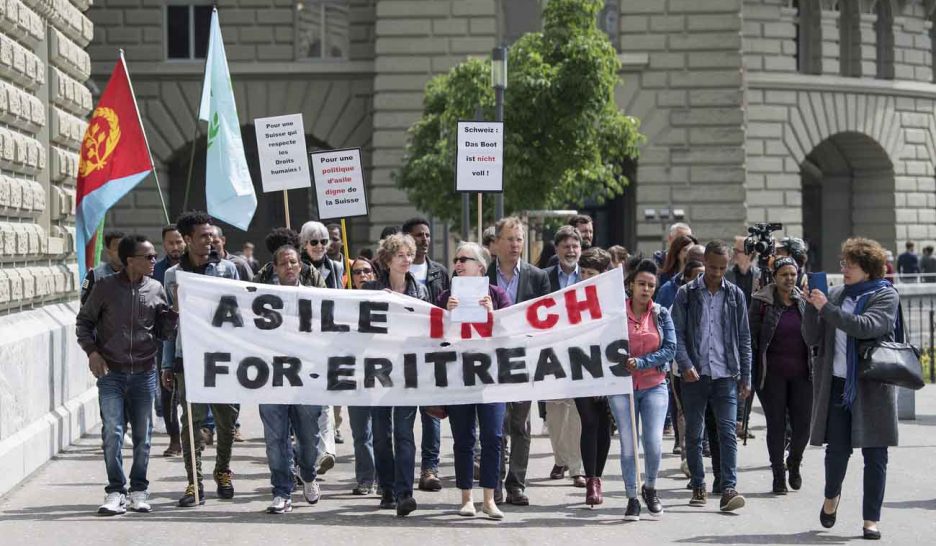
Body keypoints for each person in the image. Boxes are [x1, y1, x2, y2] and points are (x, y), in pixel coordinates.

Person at [802, 237, 899, 541]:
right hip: (838, 385)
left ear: (868, 269)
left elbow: (865, 326)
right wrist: (810, 307)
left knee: (876, 455)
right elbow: (811, 338)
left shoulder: (885, 296)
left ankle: (871, 519)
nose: (844, 269)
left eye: (850, 265)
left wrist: (826, 308)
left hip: (872, 386)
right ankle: (832, 496)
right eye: (843, 263)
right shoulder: (835, 294)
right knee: (838, 450)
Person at [77, 235, 176, 516]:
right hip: (111, 373)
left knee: (143, 436)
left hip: (144, 373)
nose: (154, 261)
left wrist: (173, 314)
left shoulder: (157, 288)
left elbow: (164, 333)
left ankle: (139, 489)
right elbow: (83, 323)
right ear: (130, 260)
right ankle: (115, 491)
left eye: (155, 256)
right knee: (113, 433)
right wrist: (93, 353)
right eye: (148, 257)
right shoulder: (105, 288)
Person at [160, 211, 241, 507]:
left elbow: (239, 314)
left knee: (226, 418)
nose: (210, 241)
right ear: (188, 239)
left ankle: (223, 470)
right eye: (204, 236)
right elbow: (169, 326)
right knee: (191, 422)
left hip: (222, 356)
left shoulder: (227, 270)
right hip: (188, 357)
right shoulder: (173, 275)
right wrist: (167, 363)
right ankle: (194, 482)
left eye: (212, 235)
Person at [672, 240, 752, 513]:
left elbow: (744, 338)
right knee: (694, 433)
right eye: (713, 267)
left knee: (728, 432)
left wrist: (746, 376)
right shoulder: (687, 294)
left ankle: (729, 487)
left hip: (725, 374)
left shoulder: (735, 295)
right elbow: (677, 334)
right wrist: (684, 363)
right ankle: (698, 483)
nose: (717, 272)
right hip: (695, 376)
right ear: (704, 262)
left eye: (722, 268)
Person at [437, 242, 511, 520]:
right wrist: (446, 314)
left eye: (463, 259)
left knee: (493, 437)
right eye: (455, 259)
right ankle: (466, 498)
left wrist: (493, 315)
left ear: (480, 266)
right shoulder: (445, 295)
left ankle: (489, 499)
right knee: (464, 439)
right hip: (459, 377)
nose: (456, 263)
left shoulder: (498, 295)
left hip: (492, 379)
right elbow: (432, 339)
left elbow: (513, 334)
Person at [363, 233, 429, 516]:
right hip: (378, 371)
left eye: (409, 255)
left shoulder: (421, 292)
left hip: (409, 372)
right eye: (400, 255)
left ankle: (405, 493)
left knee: (404, 434)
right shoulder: (372, 291)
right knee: (380, 433)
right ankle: (387, 488)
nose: (406, 260)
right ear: (388, 259)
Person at [486, 216, 551, 506]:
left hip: (525, 360)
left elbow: (548, 320)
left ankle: (516, 484)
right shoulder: (481, 276)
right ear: (496, 244)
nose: (515, 245)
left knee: (521, 425)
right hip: (491, 361)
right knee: (495, 425)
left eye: (519, 239)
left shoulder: (538, 277)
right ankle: (494, 483)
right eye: (510, 239)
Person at [259, 245, 326, 514]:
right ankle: (281, 490)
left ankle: (308, 474)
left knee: (309, 439)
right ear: (275, 268)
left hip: (307, 380)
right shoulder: (260, 299)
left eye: (294, 262)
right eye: (284, 263)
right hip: (271, 379)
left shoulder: (317, 298)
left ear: (301, 266)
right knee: (276, 439)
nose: (289, 267)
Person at [608, 258, 676, 520]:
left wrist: (643, 362)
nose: (646, 289)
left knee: (654, 443)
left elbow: (670, 348)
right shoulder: (615, 313)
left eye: (650, 285)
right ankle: (632, 497)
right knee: (628, 444)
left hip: (654, 385)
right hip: (622, 388)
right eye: (641, 284)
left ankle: (650, 487)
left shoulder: (661, 314)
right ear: (631, 285)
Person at [749, 257, 812, 495]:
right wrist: (748, 374)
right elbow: (751, 338)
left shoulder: (803, 301)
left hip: (803, 375)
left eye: (793, 274)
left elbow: (815, 333)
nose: (789, 279)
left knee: (802, 427)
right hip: (772, 375)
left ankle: (794, 461)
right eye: (784, 274)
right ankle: (778, 475)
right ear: (774, 277)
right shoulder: (761, 302)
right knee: (776, 426)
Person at [401, 217, 450, 492]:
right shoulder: (395, 270)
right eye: (419, 235)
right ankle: (403, 470)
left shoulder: (439, 272)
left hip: (432, 352)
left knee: (432, 414)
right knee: (405, 415)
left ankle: (430, 469)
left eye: (428, 235)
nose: (425, 240)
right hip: (403, 353)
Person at [572, 248, 617, 506]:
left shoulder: (614, 300)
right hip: (580, 369)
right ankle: (591, 481)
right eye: (583, 273)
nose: (586, 278)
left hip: (608, 369)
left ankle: (598, 476)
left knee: (604, 424)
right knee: (589, 421)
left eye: (591, 274)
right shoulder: (571, 298)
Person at [542, 226, 586, 488]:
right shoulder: (544, 278)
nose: (571, 251)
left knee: (577, 410)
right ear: (557, 249)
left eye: (575, 246)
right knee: (555, 411)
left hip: (582, 352)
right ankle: (560, 458)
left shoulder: (591, 278)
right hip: (552, 352)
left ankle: (576, 467)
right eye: (566, 246)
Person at [299, 221, 343, 472]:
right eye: (314, 241)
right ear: (304, 244)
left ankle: (326, 451)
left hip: (328, 340)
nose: (319, 246)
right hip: (303, 342)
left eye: (324, 241)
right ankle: (306, 453)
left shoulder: (336, 268)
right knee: (305, 402)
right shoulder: (295, 267)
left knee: (325, 399)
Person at [153, 224, 185, 458]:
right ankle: (174, 438)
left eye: (179, 241)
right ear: (164, 244)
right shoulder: (157, 271)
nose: (176, 247)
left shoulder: (198, 268)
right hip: (165, 337)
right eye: (171, 243)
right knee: (168, 390)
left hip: (194, 338)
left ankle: (202, 430)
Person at [347, 256, 379, 495]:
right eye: (357, 272)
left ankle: (386, 478)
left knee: (382, 431)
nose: (363, 275)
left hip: (382, 374)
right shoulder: (342, 301)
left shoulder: (385, 299)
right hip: (354, 375)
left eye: (367, 271)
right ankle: (366, 478)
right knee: (361, 433)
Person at [80, 230, 125, 305]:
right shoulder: (94, 274)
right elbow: (84, 297)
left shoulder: (136, 274)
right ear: (108, 252)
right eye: (117, 249)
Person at [655, 245, 705, 309]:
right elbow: (657, 316)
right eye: (694, 262)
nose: (699, 266)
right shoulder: (667, 290)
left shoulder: (717, 289)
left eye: (703, 263)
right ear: (686, 262)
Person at [725, 236, 760, 308]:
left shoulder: (760, 275)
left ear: (749, 254)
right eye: (734, 250)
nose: (734, 254)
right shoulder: (726, 276)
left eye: (738, 251)